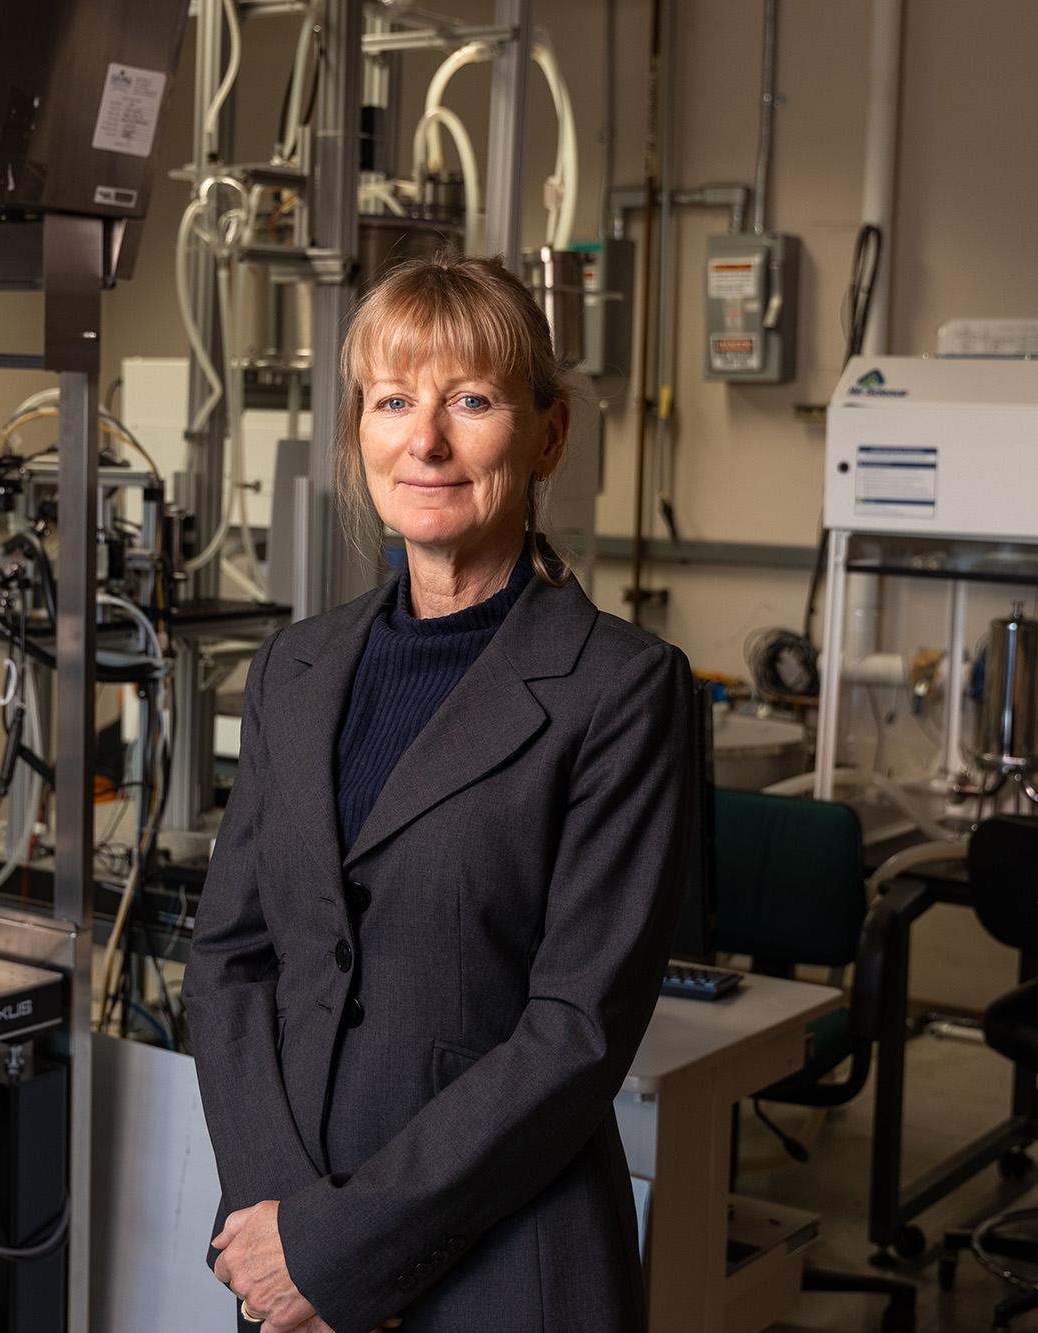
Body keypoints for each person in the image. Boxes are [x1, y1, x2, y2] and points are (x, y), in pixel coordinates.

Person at [185, 253, 693, 1333]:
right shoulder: (296, 668)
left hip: (503, 1267)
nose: (424, 440)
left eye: (470, 401)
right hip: (289, 1259)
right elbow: (230, 956)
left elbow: (574, 1035)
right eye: (392, 401)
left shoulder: (620, 690)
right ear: (358, 430)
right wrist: (281, 1228)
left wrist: (340, 1248)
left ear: (546, 434)